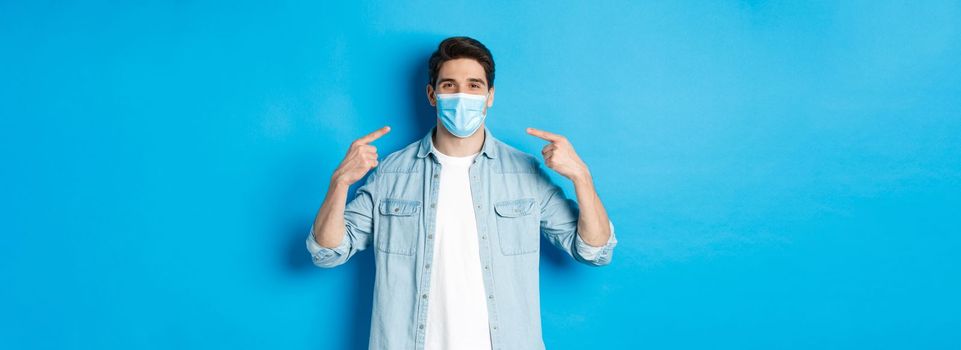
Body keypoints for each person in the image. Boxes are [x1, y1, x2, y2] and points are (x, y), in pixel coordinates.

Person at [306, 36, 617, 350]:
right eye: (450, 85)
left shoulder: (524, 173)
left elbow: (594, 250)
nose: (462, 95)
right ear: (432, 94)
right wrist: (339, 183)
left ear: (489, 95)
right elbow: (327, 251)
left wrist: (582, 177)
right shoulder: (391, 173)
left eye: (474, 86)